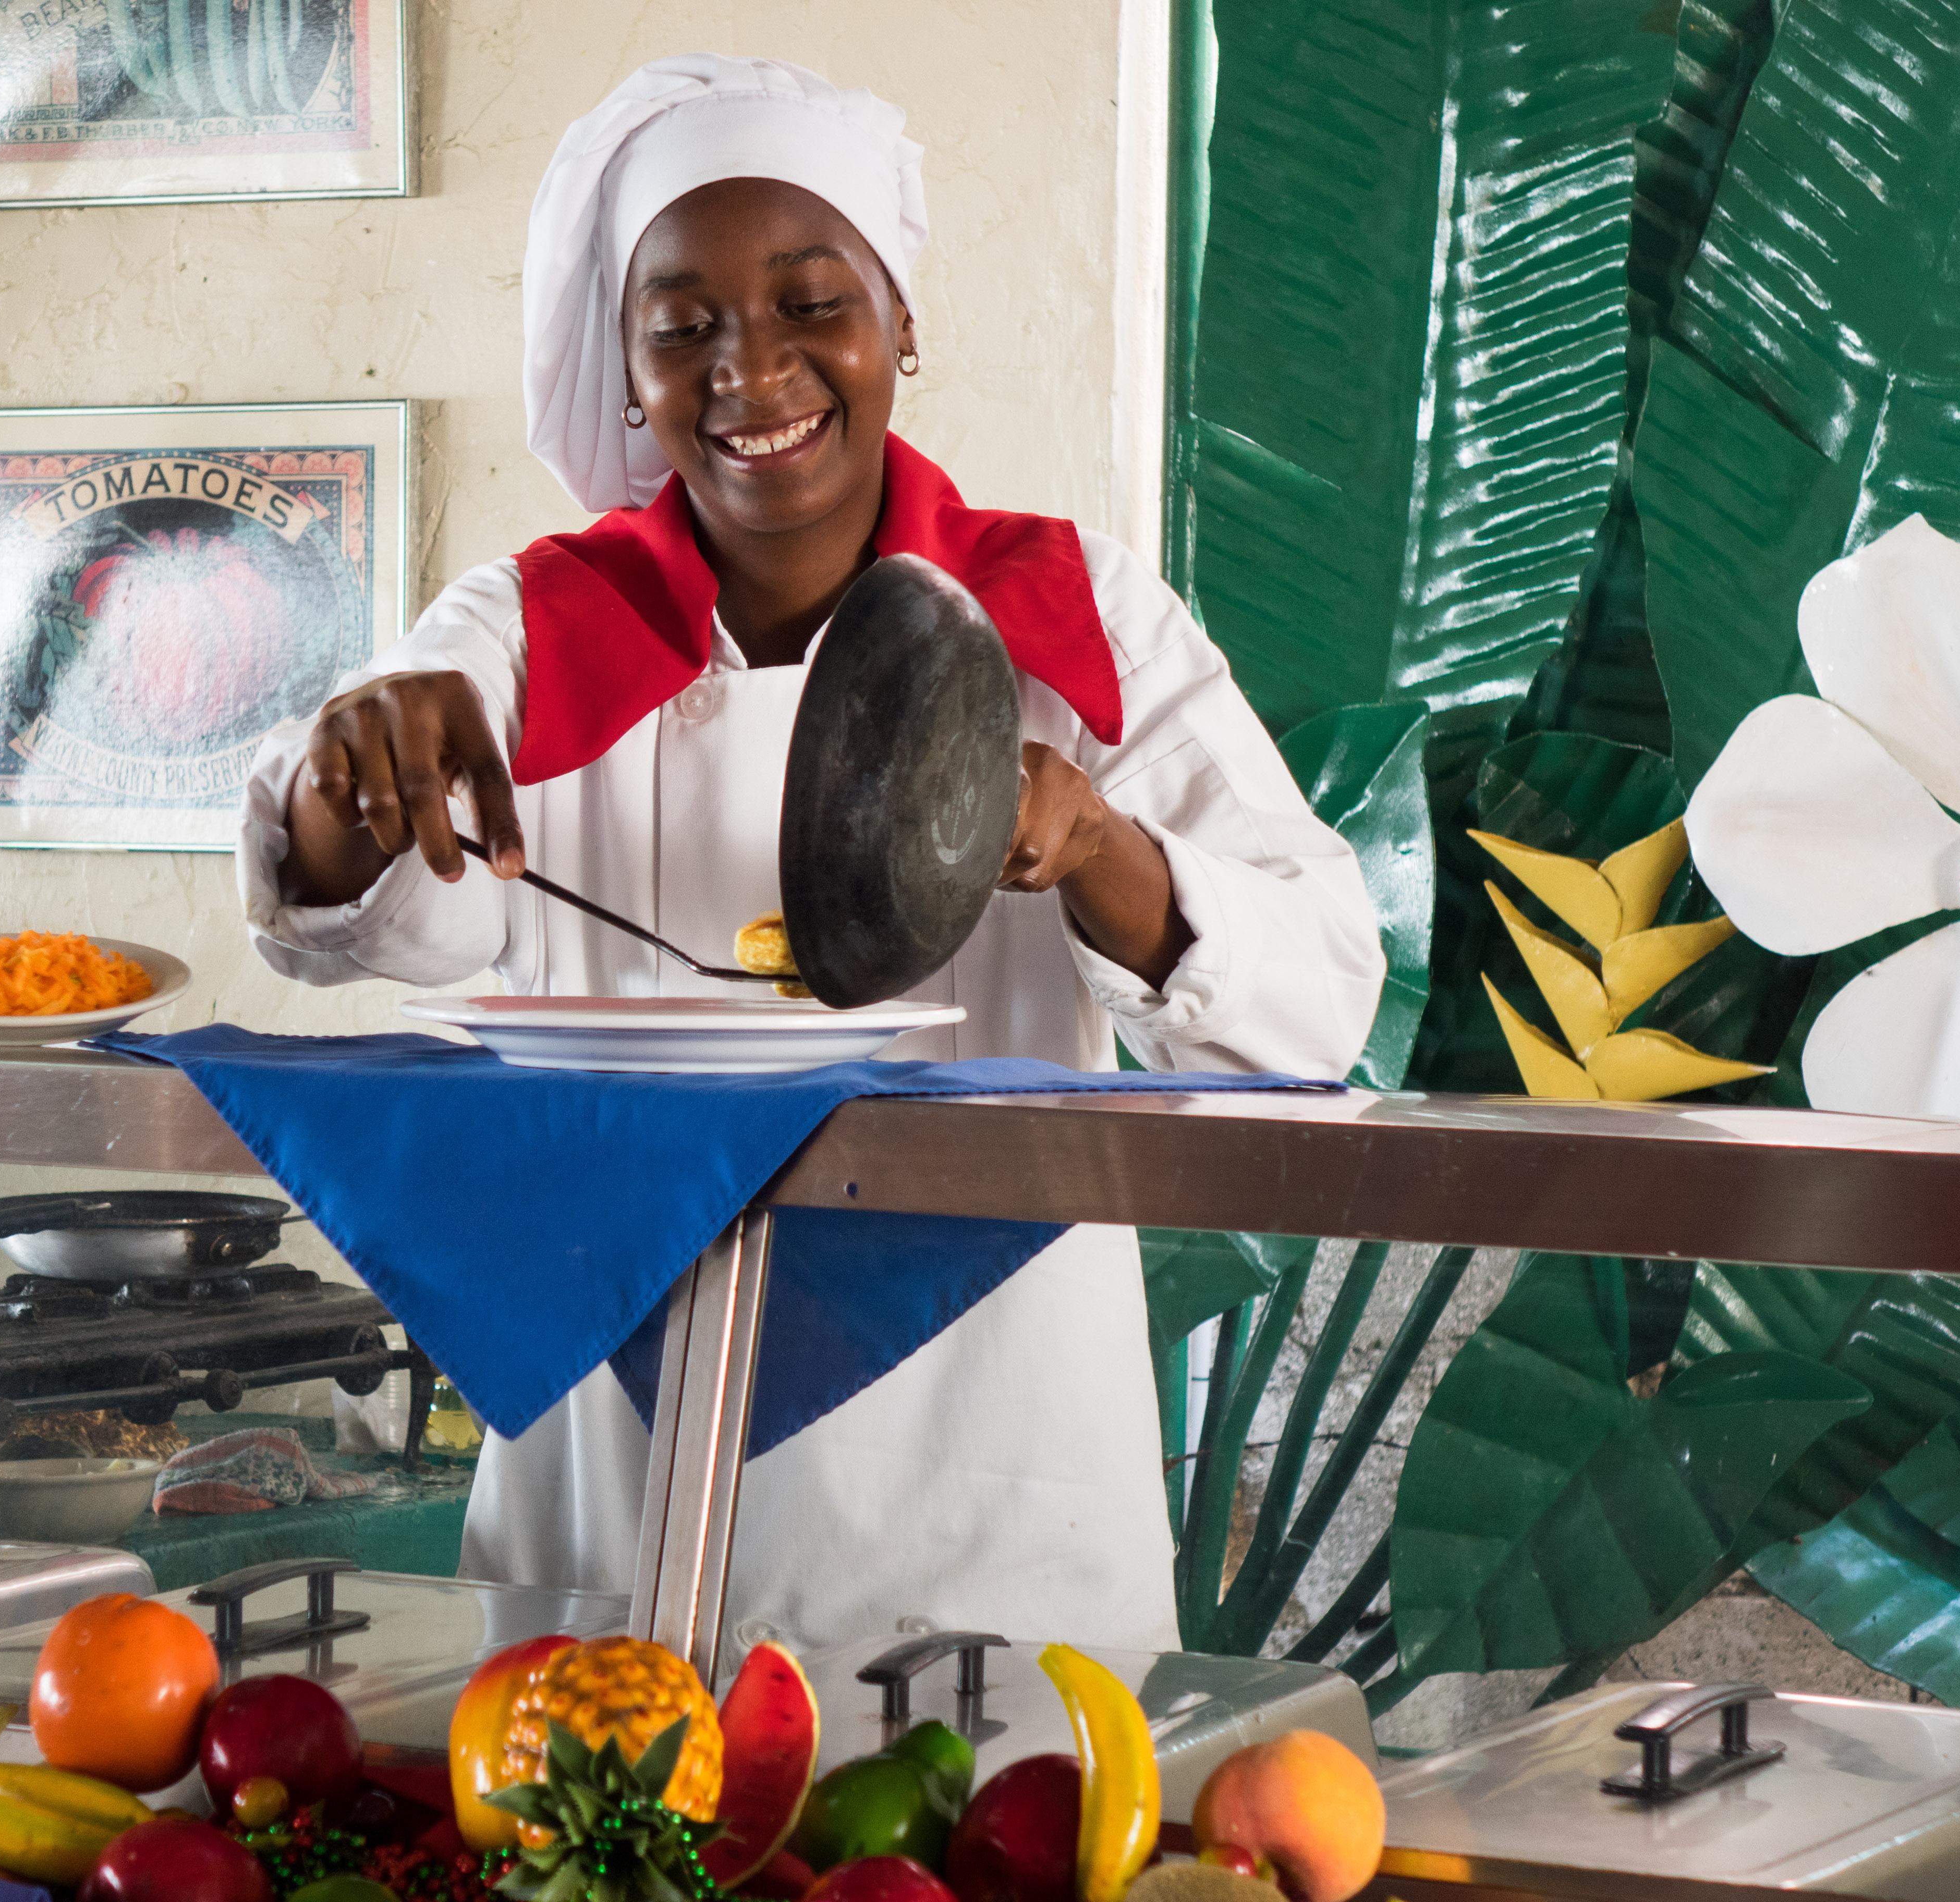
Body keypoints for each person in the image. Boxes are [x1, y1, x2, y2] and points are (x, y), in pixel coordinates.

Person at [240, 54, 1382, 1654]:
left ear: (901, 322)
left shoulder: (1078, 616)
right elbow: (390, 927)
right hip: (620, 1491)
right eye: (683, 323)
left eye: (809, 303)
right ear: (627, 366)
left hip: (988, 1483)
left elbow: (1320, 997)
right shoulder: (530, 623)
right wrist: (345, 781)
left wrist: (1102, 846)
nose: (749, 369)